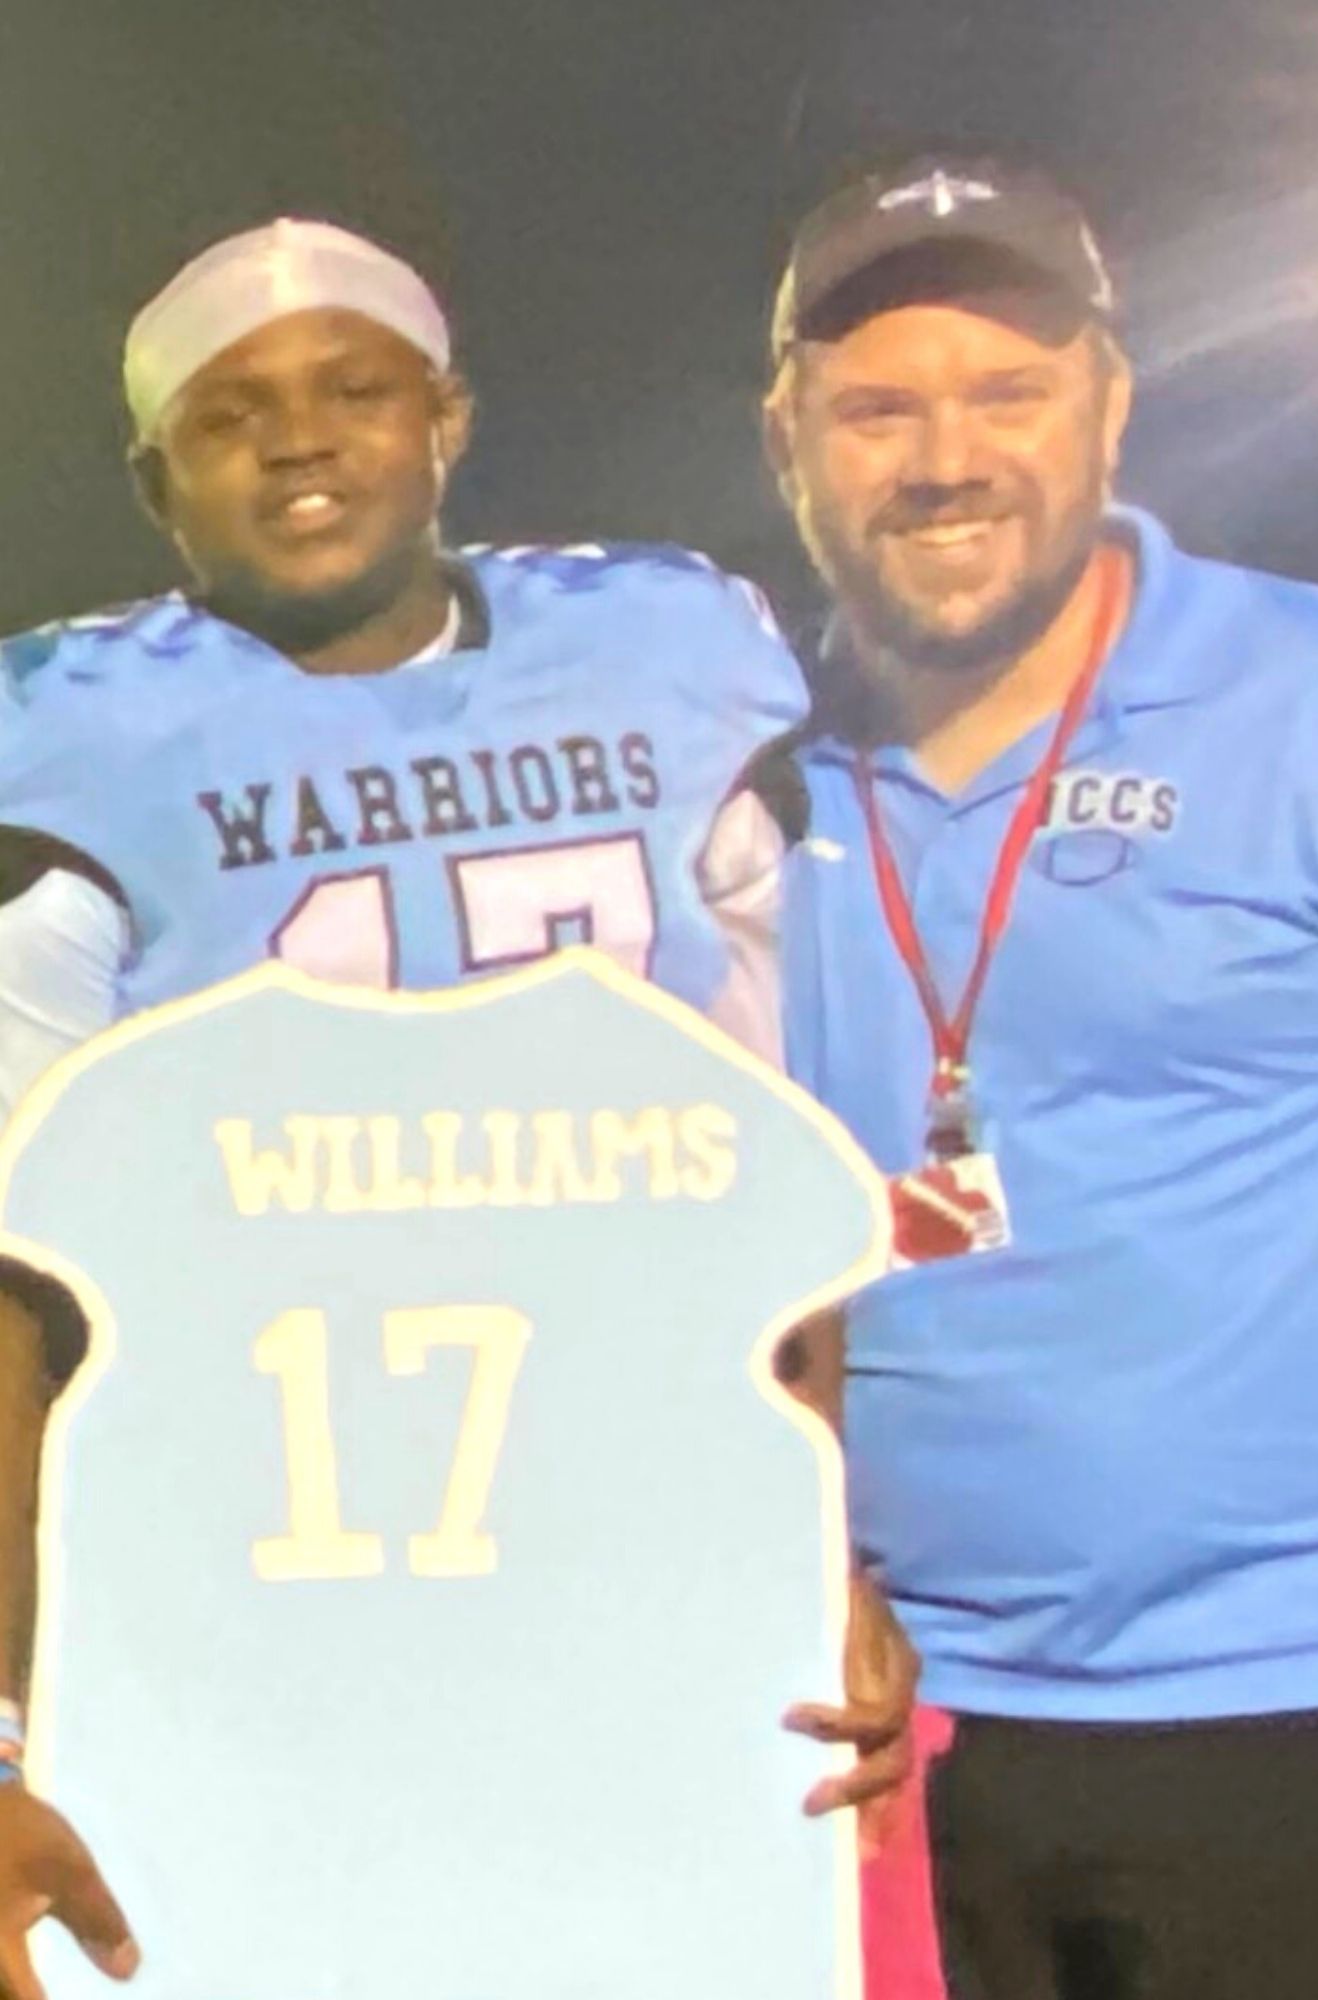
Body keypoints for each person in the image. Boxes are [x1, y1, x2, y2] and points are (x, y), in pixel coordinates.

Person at [0, 217, 913, 2000]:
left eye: (357, 389)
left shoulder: (662, 650)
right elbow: (16, 1287)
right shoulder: (75, 735)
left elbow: (770, 1170)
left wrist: (809, 1542)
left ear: (450, 417)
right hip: (250, 1574)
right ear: (153, 475)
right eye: (231, 411)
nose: (302, 438)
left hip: (630, 1552)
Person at [764, 151, 1318, 1999]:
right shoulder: (733, 781)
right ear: (786, 438)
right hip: (875, 1738)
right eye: (877, 407)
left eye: (1009, 390)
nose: (944, 456)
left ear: (1111, 404)